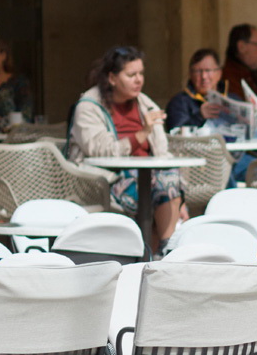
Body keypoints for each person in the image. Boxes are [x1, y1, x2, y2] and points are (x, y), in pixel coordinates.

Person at [68, 46, 185, 251]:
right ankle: (162, 252)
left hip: (150, 177)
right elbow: (98, 149)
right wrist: (142, 134)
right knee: (162, 187)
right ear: (112, 78)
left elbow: (162, 149)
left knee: (170, 181)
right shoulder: (88, 106)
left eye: (141, 74)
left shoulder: (144, 103)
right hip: (106, 179)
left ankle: (166, 250)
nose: (138, 80)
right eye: (131, 75)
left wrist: (178, 200)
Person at [166, 48, 257, 184]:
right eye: (198, 71)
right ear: (190, 74)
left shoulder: (233, 98)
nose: (203, 77)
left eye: (208, 71)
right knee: (224, 173)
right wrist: (199, 116)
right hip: (201, 164)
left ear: (219, 73)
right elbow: (175, 135)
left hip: (237, 159)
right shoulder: (180, 101)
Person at [0, 38, 33, 131]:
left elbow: (26, 116)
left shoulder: (18, 83)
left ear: (3, 55)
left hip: (11, 142)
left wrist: (2, 122)